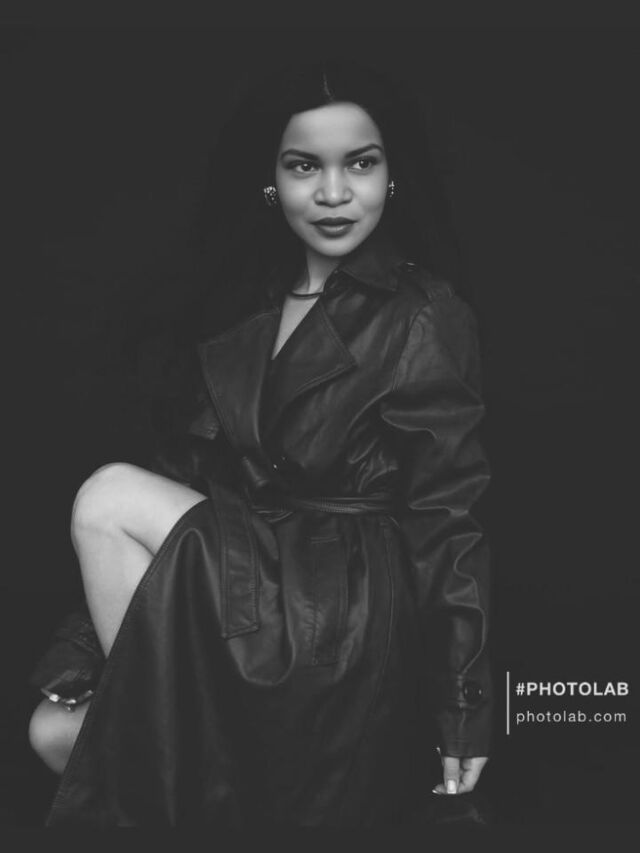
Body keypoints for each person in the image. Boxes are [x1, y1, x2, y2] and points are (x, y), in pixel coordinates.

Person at [27, 60, 492, 827]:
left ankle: (210, 771)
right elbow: (188, 474)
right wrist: (83, 649)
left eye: (361, 164)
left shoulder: (423, 314)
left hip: (341, 610)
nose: (334, 193)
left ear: (392, 177)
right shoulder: (246, 302)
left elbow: (448, 517)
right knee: (54, 732)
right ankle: (226, 778)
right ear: (272, 182)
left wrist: (463, 704)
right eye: (305, 166)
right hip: (248, 579)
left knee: (106, 496)